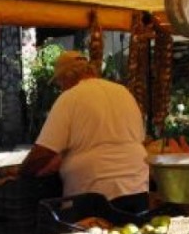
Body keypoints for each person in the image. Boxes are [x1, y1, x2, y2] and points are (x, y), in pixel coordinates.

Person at [20, 50, 149, 213]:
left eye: (60, 82)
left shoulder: (70, 97)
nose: (61, 87)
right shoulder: (123, 91)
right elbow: (130, 139)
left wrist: (22, 172)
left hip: (95, 189)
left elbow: (45, 151)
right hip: (136, 183)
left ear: (67, 76)